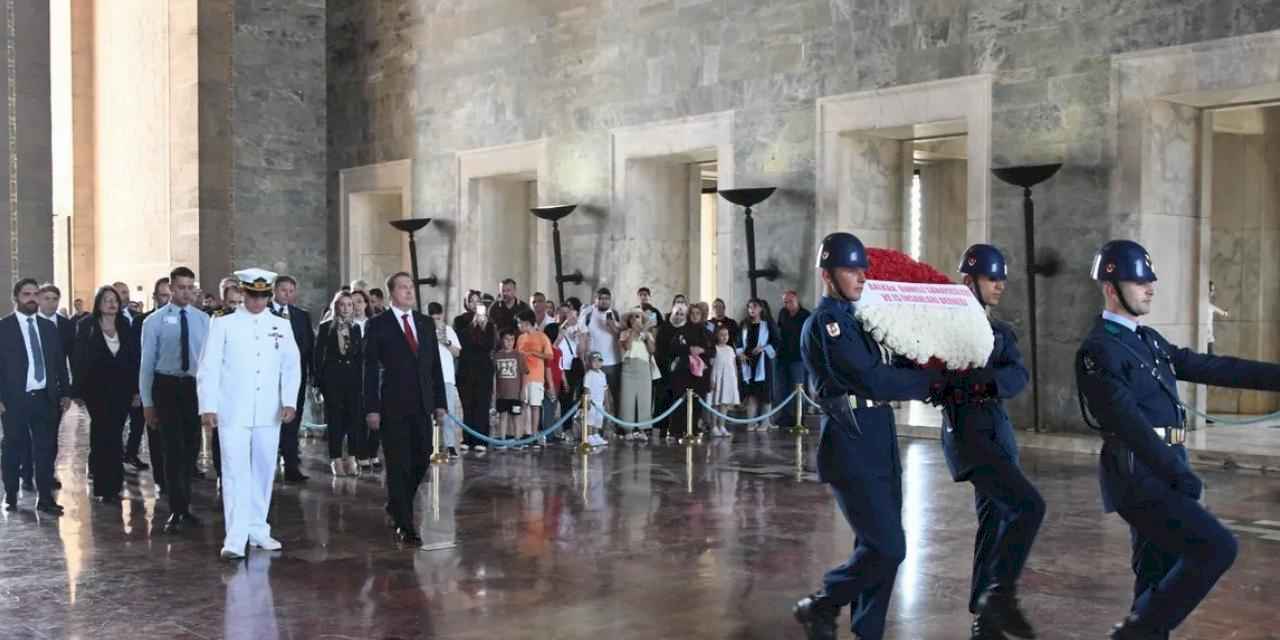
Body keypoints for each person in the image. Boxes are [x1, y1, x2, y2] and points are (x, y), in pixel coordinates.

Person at [1075, 240, 1280, 640]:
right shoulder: (1097, 351)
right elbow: (1129, 425)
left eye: (1150, 280)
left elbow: (1215, 367)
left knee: (1156, 575)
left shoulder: (1149, 341)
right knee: (1216, 547)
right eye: (1139, 281)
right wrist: (1181, 477)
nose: (1150, 287)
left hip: (1166, 469)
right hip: (1139, 476)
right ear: (1111, 288)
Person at [792, 232, 946, 640]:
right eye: (850, 270)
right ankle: (823, 601)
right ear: (827, 275)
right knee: (889, 547)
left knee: (877, 548)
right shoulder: (827, 323)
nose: (860, 277)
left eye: (863, 269)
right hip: (850, 442)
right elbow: (872, 379)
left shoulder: (864, 319)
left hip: (878, 437)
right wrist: (931, 382)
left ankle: (867, 629)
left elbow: (891, 367)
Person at [944, 244, 1044, 640]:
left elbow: (1018, 375)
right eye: (992, 278)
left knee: (995, 520)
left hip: (999, 437)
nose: (1000, 285)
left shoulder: (1001, 331)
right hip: (970, 439)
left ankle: (983, 614)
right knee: (1027, 506)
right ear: (968, 281)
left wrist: (987, 381)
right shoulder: (943, 327)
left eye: (1002, 278)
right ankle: (997, 599)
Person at [198, 268, 301, 560]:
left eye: (262, 296)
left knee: (264, 470)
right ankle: (235, 535)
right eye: (252, 295)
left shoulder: (281, 324)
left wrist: (289, 401)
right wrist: (208, 406)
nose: (257, 301)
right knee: (234, 472)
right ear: (242, 293)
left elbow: (291, 366)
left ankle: (258, 529)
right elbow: (209, 367)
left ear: (269, 296)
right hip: (233, 410)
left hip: (269, 411)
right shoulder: (223, 324)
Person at [363, 272, 448, 545]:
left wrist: (440, 403)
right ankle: (405, 522)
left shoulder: (424, 323)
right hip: (392, 405)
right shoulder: (378, 325)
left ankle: (396, 504)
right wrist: (371, 408)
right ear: (391, 293)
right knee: (398, 463)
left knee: (422, 456)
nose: (409, 292)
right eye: (403, 288)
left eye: (411, 287)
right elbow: (370, 370)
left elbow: (434, 366)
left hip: (422, 403)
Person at [140, 266, 210, 533]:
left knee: (191, 448)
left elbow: (209, 363)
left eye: (190, 287)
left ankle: (186, 503)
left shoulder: (203, 320)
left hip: (193, 387)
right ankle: (177, 509)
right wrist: (148, 402)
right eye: (181, 287)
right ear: (171, 288)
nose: (186, 292)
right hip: (166, 385)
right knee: (172, 448)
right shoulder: (154, 321)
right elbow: (146, 364)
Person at [1, 279, 72, 515]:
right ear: (16, 298)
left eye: (34, 294)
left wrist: (65, 392)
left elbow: (59, 362)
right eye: (26, 294)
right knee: (12, 448)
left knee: (46, 450)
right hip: (14, 400)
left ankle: (45, 499)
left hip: (46, 398)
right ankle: (10, 495)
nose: (31, 298)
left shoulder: (48, 327)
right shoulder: (4, 328)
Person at [72, 285, 140, 505]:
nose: (112, 303)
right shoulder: (87, 325)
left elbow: (133, 359)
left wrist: (136, 390)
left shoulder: (125, 325)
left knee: (116, 434)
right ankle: (102, 486)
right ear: (98, 303)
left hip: (121, 390)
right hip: (96, 391)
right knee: (102, 435)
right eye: (107, 300)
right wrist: (78, 390)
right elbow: (79, 359)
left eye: (115, 300)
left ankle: (115, 485)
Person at [315, 291, 365, 476]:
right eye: (342, 305)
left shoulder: (356, 328)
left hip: (352, 380)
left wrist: (362, 381)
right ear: (336, 307)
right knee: (335, 420)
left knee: (354, 420)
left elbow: (360, 357)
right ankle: (335, 459)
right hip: (332, 380)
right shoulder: (325, 327)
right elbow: (318, 357)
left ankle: (352, 458)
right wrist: (318, 384)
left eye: (349, 305)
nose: (346, 308)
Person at [271, 275, 314, 483]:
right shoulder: (265, 313)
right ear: (274, 291)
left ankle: (291, 467)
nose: (287, 295)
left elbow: (308, 346)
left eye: (290, 291)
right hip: (269, 378)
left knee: (292, 422)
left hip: (294, 377)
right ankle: (267, 466)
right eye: (283, 290)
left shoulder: (301, 315)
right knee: (270, 423)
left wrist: (310, 374)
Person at [454, 291, 496, 452]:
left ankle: (481, 439)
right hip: (465, 368)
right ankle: (467, 438)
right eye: (471, 301)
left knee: (482, 404)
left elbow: (488, 345)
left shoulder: (489, 323)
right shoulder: (460, 320)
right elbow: (461, 342)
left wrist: (484, 327)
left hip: (483, 368)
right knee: (468, 404)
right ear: (466, 303)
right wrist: (473, 325)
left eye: (477, 301)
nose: (474, 304)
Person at [669, 303, 713, 439]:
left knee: (697, 401)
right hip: (684, 371)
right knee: (681, 401)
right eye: (693, 313)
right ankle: (677, 430)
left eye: (698, 313)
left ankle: (693, 428)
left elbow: (713, 351)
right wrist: (689, 350)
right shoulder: (681, 330)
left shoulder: (707, 332)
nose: (695, 316)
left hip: (700, 373)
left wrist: (703, 350)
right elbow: (673, 347)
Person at [428, 302, 462, 457]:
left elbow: (457, 353)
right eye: (433, 318)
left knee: (448, 412)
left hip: (446, 376)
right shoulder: (423, 330)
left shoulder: (448, 330)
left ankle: (449, 445)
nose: (436, 321)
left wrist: (445, 342)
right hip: (429, 377)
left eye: (438, 317)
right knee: (429, 411)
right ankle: (430, 444)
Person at [738, 298, 778, 431]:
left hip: (763, 363)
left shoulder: (768, 324)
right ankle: (751, 423)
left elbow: (776, 342)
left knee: (764, 393)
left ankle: (765, 423)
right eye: (749, 307)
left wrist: (763, 348)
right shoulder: (744, 324)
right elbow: (738, 342)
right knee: (751, 394)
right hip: (748, 363)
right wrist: (740, 354)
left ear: (760, 308)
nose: (751, 310)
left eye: (754, 307)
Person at [515, 310, 553, 447]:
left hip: (536, 375)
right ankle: (525, 432)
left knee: (535, 405)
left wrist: (534, 353)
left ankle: (534, 433)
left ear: (526, 323)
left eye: (520, 323)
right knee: (524, 405)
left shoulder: (541, 337)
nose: (518, 326)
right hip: (523, 376)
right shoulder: (520, 338)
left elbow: (550, 356)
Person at [774, 290, 811, 428]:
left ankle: (800, 417)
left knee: (799, 387)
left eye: (790, 301)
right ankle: (786, 417)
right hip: (783, 356)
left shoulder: (805, 315)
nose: (787, 304)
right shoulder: (782, 313)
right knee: (783, 388)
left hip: (798, 357)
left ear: (796, 300)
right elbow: (779, 331)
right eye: (785, 302)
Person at [617, 309, 655, 441]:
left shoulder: (647, 334)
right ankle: (628, 429)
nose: (635, 319)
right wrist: (634, 331)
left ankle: (643, 429)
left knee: (644, 398)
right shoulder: (624, 333)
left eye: (637, 317)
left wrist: (645, 335)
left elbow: (652, 350)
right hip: (628, 367)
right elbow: (626, 347)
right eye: (632, 317)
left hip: (644, 367)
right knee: (627, 398)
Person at [582, 288, 622, 406]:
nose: (604, 301)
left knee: (616, 394)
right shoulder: (589, 314)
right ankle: (597, 422)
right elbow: (584, 335)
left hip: (613, 362)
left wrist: (612, 326)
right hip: (594, 363)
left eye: (606, 299)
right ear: (596, 300)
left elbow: (622, 336)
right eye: (601, 298)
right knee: (595, 395)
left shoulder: (615, 314)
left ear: (610, 300)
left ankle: (616, 423)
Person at [492, 330, 526, 448]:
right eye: (507, 339)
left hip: (515, 394)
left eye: (512, 340)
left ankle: (517, 440)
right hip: (502, 394)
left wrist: (523, 391)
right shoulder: (497, 356)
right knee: (502, 416)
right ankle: (502, 439)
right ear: (502, 340)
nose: (509, 342)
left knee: (516, 417)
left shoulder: (519, 356)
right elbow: (494, 375)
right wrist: (494, 392)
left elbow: (524, 374)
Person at [707, 326, 741, 438]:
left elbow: (734, 365)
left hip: (729, 379)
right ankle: (714, 426)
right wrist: (711, 380)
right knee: (716, 403)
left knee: (724, 404)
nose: (724, 337)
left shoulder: (731, 349)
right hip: (718, 378)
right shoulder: (714, 349)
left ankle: (722, 425)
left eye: (726, 334)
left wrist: (735, 378)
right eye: (722, 335)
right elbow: (711, 366)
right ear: (717, 335)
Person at [583, 352, 610, 447]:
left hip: (600, 402)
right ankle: (589, 436)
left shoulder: (603, 374)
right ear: (590, 363)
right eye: (594, 361)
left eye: (599, 361)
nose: (597, 363)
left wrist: (606, 402)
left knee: (598, 420)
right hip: (592, 402)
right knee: (590, 419)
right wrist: (588, 401)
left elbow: (605, 389)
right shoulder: (589, 374)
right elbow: (586, 388)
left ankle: (596, 434)